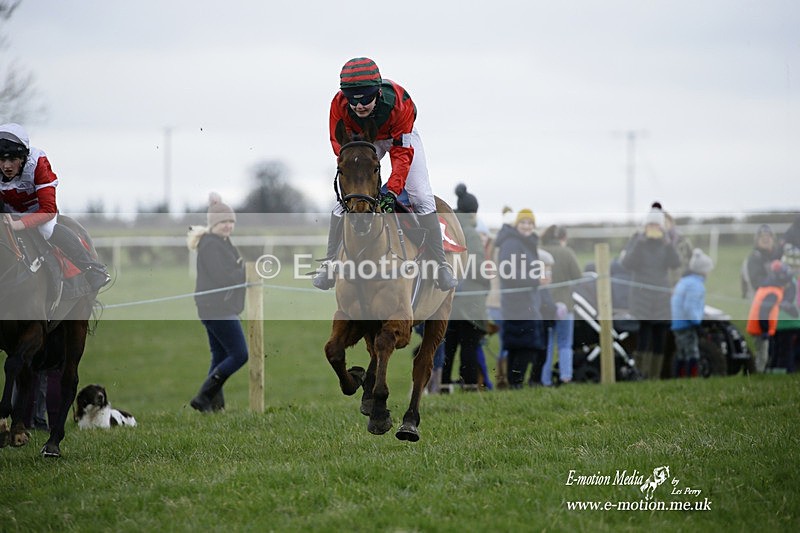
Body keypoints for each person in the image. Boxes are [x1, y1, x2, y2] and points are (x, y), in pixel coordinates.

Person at [313, 57, 457, 292]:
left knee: (420, 196)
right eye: (353, 101)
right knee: (345, 201)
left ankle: (441, 265)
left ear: (377, 93)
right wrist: (354, 170)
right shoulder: (338, 105)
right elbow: (339, 145)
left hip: (399, 138)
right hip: (362, 141)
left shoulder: (400, 104)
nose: (359, 106)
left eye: (365, 100)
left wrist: (391, 191)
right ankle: (329, 263)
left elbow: (402, 155)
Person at [0, 123, 110, 291]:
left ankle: (92, 269)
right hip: (8, 211)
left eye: (13, 160)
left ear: (23, 158)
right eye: (2, 160)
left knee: (47, 230)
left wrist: (19, 224)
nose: (6, 166)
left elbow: (49, 209)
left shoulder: (38, 164)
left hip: (40, 211)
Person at [187, 193, 249, 412]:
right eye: (223, 222)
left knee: (220, 355)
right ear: (213, 224)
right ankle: (203, 397)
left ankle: (214, 405)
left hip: (215, 308)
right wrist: (246, 273)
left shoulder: (220, 242)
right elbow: (223, 276)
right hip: (217, 308)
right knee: (240, 354)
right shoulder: (211, 245)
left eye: (231, 221)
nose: (228, 226)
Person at [621, 203, 681, 379]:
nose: (653, 227)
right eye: (651, 224)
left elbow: (675, 263)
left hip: (661, 297)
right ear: (646, 225)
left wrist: (669, 245)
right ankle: (641, 373)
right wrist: (639, 244)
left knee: (660, 336)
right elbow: (627, 264)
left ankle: (655, 375)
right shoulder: (637, 240)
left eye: (656, 225)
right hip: (642, 297)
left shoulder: (666, 243)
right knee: (644, 336)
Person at [441, 184, 489, 391]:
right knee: (469, 345)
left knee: (448, 346)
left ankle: (443, 385)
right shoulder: (470, 232)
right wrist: (487, 280)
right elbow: (476, 265)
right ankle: (469, 385)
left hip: (448, 297)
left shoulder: (448, 227)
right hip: (470, 301)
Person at [495, 209, 547, 388]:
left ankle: (515, 384)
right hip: (517, 304)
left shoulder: (525, 243)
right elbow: (508, 272)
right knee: (524, 346)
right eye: (523, 222)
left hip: (527, 302)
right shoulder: (512, 243)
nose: (527, 226)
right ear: (516, 225)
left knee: (521, 346)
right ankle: (515, 383)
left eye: (530, 223)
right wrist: (535, 280)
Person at [540, 225, 583, 386]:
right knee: (565, 343)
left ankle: (544, 379)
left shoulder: (539, 252)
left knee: (547, 345)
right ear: (563, 238)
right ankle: (566, 376)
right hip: (565, 305)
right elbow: (578, 277)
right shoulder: (567, 253)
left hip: (544, 306)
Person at [747, 260, 798, 373]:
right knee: (763, 355)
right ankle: (758, 375)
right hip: (760, 328)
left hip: (760, 327)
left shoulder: (768, 287)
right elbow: (764, 312)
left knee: (767, 353)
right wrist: (765, 330)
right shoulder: (774, 292)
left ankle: (763, 372)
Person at [670, 249, 714, 377]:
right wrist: (697, 323)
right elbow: (690, 307)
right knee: (692, 353)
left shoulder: (684, 281)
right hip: (687, 324)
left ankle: (679, 377)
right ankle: (692, 378)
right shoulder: (695, 285)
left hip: (677, 323)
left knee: (681, 352)